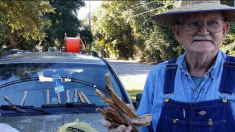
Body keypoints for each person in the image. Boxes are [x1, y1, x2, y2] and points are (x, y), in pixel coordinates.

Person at [101, 0, 235, 132]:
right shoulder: (158, 75)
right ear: (178, 32)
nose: (204, 31)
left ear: (224, 30)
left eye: (213, 23)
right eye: (193, 24)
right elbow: (142, 129)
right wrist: (124, 124)